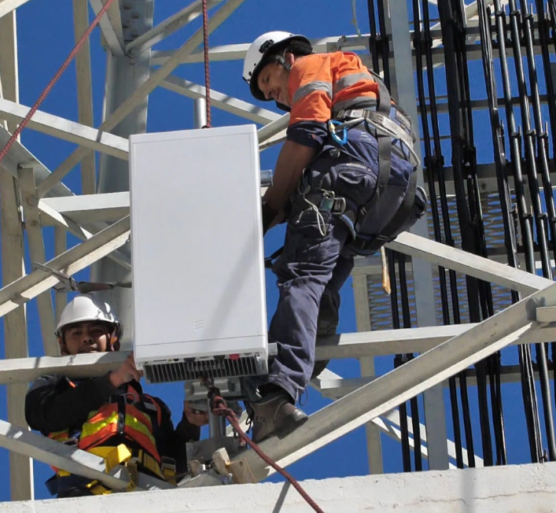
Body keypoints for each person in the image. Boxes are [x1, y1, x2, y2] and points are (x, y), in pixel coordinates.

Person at [241, 31, 427, 442]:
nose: (275, 95)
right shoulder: (362, 82)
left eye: (270, 80)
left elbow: (305, 135)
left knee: (302, 275)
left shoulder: (311, 66)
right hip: (394, 189)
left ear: (288, 57)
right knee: (322, 276)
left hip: (354, 167)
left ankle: (279, 392)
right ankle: (312, 346)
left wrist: (269, 209)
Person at [25, 294, 208, 497]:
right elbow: (43, 415)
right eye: (76, 333)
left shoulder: (150, 406)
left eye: (96, 331)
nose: (87, 338)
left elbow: (175, 462)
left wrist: (191, 424)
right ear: (63, 345)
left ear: (114, 341)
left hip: (147, 494)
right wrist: (112, 381)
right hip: (83, 495)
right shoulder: (56, 385)